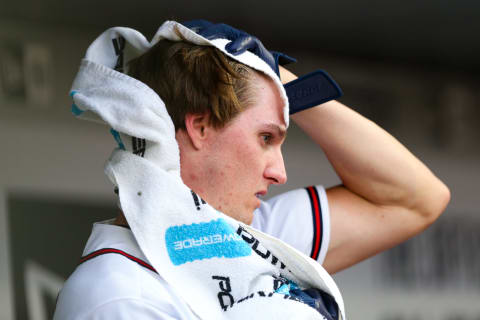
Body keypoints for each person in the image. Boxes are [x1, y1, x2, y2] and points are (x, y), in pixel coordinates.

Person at [53, 20, 450, 319]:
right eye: (266, 138)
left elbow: (416, 199)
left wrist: (274, 82)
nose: (280, 172)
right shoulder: (117, 295)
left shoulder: (247, 239)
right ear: (200, 127)